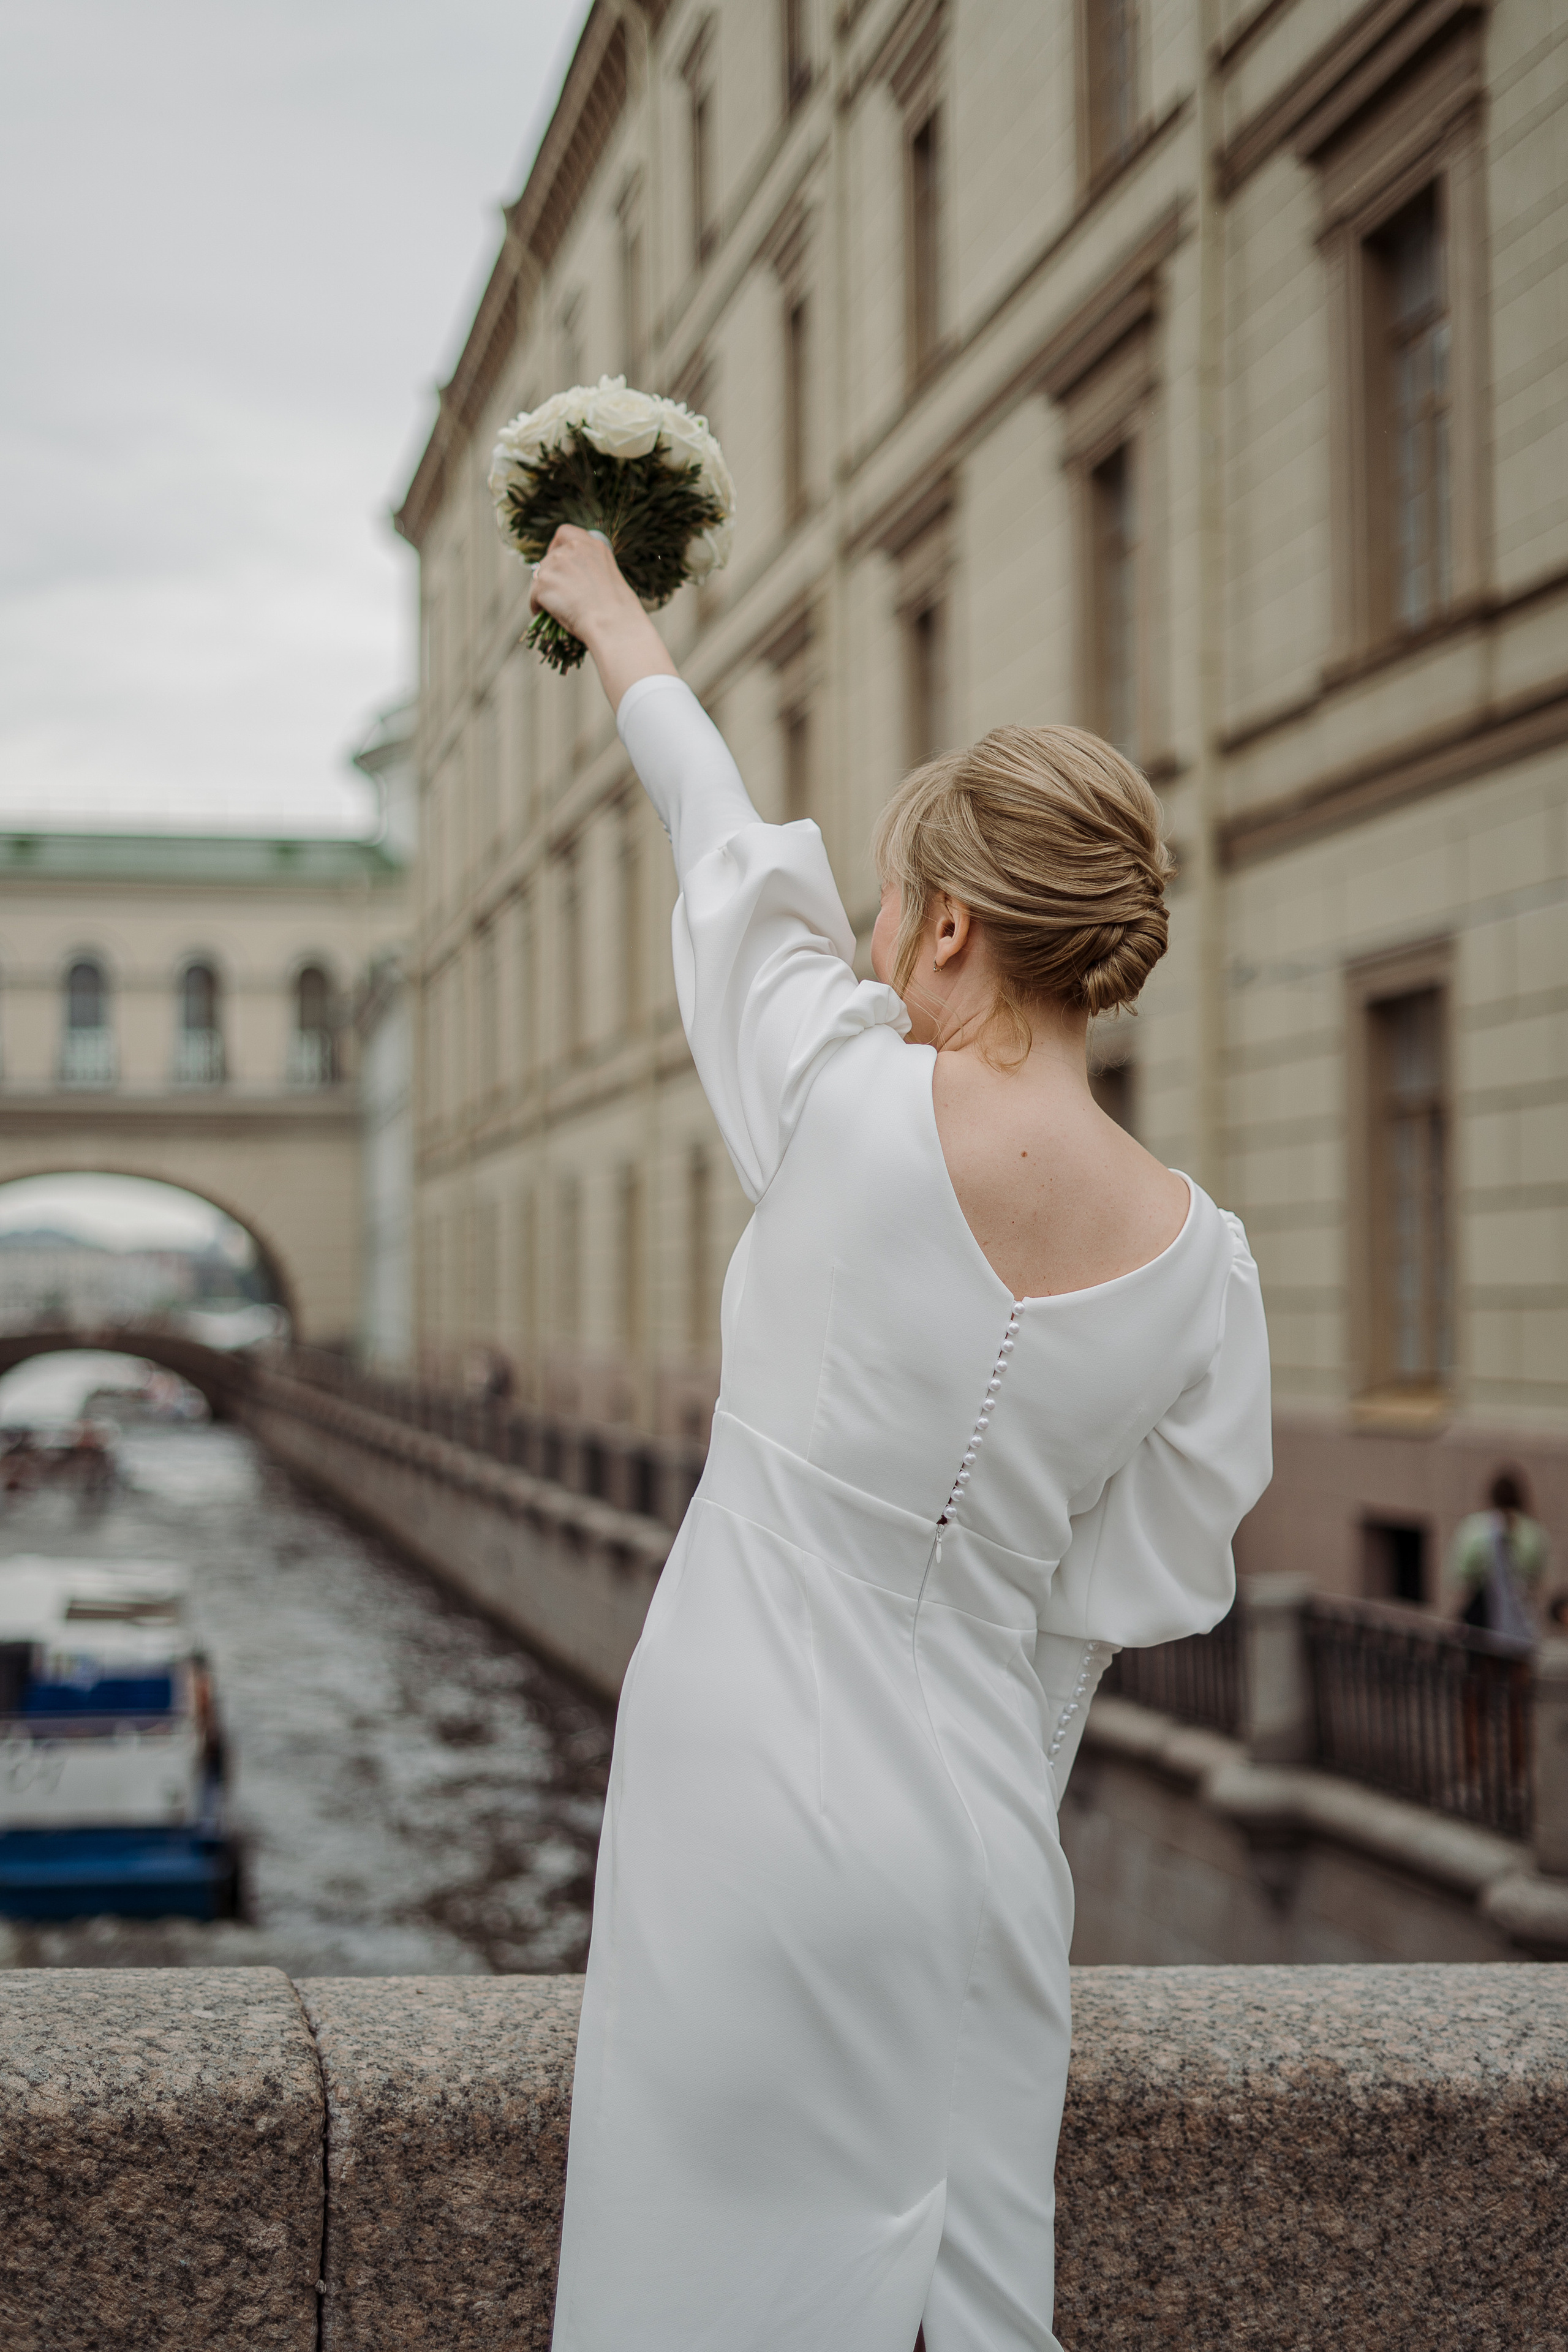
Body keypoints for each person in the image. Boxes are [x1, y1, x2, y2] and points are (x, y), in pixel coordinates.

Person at [530, 527, 1274, 2352]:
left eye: (885, 906)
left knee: (693, 2288)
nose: (865, 941)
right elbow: (1097, 1614)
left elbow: (716, 839)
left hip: (739, 1814)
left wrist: (614, 614)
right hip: (979, 1854)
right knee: (964, 2300)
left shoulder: (835, 1096)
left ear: (948, 924)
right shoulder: (1208, 1272)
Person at [1452, 1469, 1553, 1645]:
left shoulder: (1475, 1528)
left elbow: (1462, 1575)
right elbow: (1538, 1577)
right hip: (1522, 1616)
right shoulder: (1534, 1532)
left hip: (1484, 1618)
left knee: (1484, 1668)